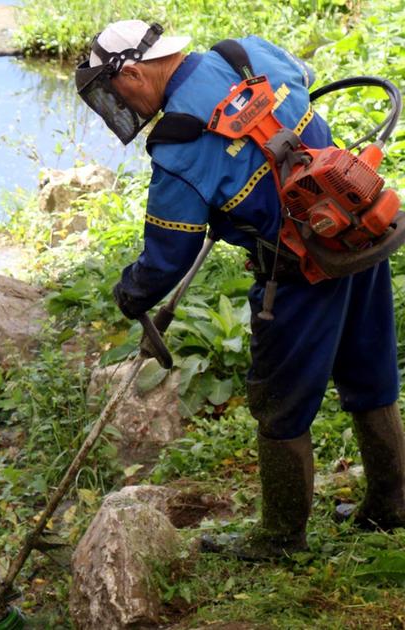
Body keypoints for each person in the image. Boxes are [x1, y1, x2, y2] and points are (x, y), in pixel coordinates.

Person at [75, 20, 405, 560]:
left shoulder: (178, 146)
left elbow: (167, 257)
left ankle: (280, 539)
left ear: (133, 72)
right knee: (370, 374)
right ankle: (392, 504)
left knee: (279, 405)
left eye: (114, 91)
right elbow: (303, 82)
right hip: (359, 230)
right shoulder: (247, 54)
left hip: (300, 273)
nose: (118, 101)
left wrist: (132, 294)